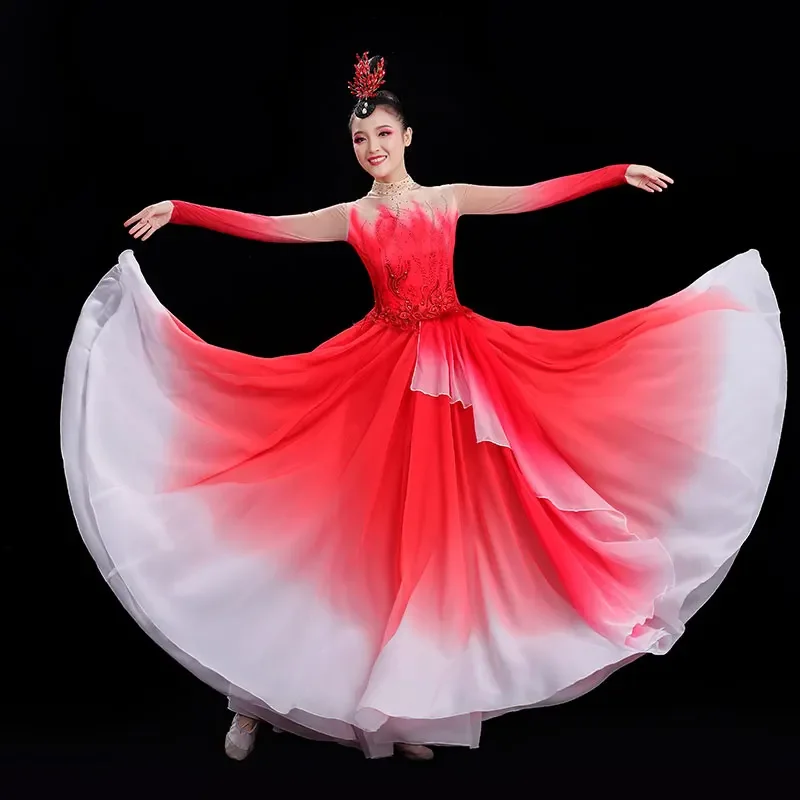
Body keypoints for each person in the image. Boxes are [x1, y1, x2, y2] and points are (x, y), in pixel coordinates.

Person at [61, 53, 786, 763]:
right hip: (378, 380)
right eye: (359, 139)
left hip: (464, 373)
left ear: (408, 137)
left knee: (434, 552)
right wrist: (181, 210)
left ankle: (407, 708)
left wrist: (611, 174)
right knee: (330, 533)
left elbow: (530, 194)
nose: (372, 147)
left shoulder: (446, 199)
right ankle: (251, 702)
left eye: (383, 134)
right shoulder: (350, 216)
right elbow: (264, 226)